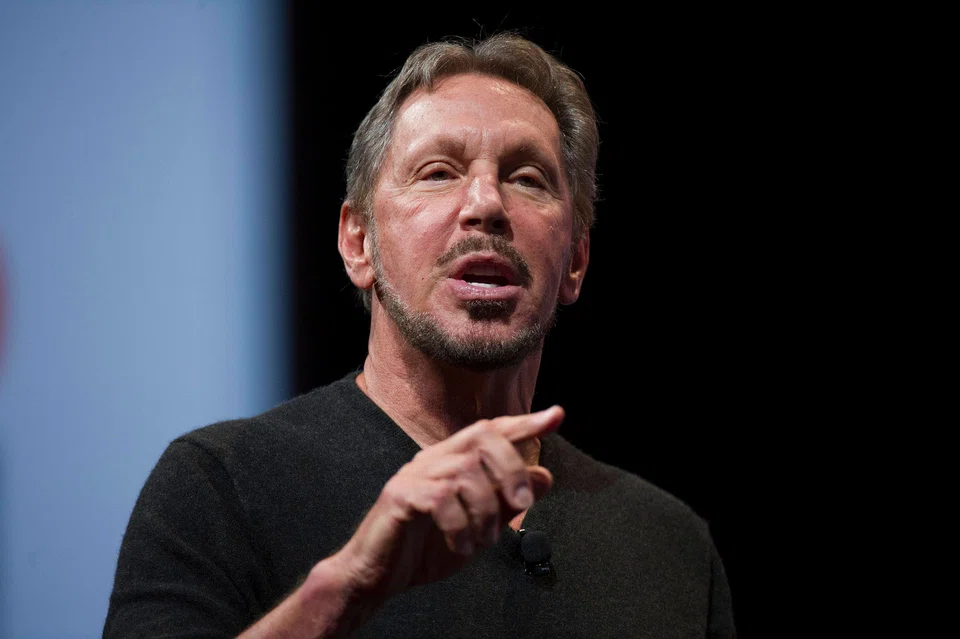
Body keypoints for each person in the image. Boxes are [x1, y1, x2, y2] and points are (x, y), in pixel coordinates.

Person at [104, 33, 736, 638]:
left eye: (527, 178)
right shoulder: (221, 486)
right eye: (437, 172)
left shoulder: (670, 543)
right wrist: (350, 586)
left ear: (575, 260)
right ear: (359, 243)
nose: (486, 204)